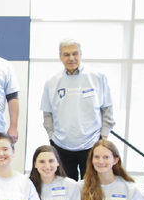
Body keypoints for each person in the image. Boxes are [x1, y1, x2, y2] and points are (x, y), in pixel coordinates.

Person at [41, 39, 114, 180]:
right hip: (62, 146)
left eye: (75, 53)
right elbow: (47, 113)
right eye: (66, 54)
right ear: (60, 57)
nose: (71, 58)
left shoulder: (97, 77)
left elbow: (107, 109)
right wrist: (52, 138)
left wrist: (103, 137)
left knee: (91, 188)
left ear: (81, 54)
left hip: (92, 144)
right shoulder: (52, 81)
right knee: (66, 189)